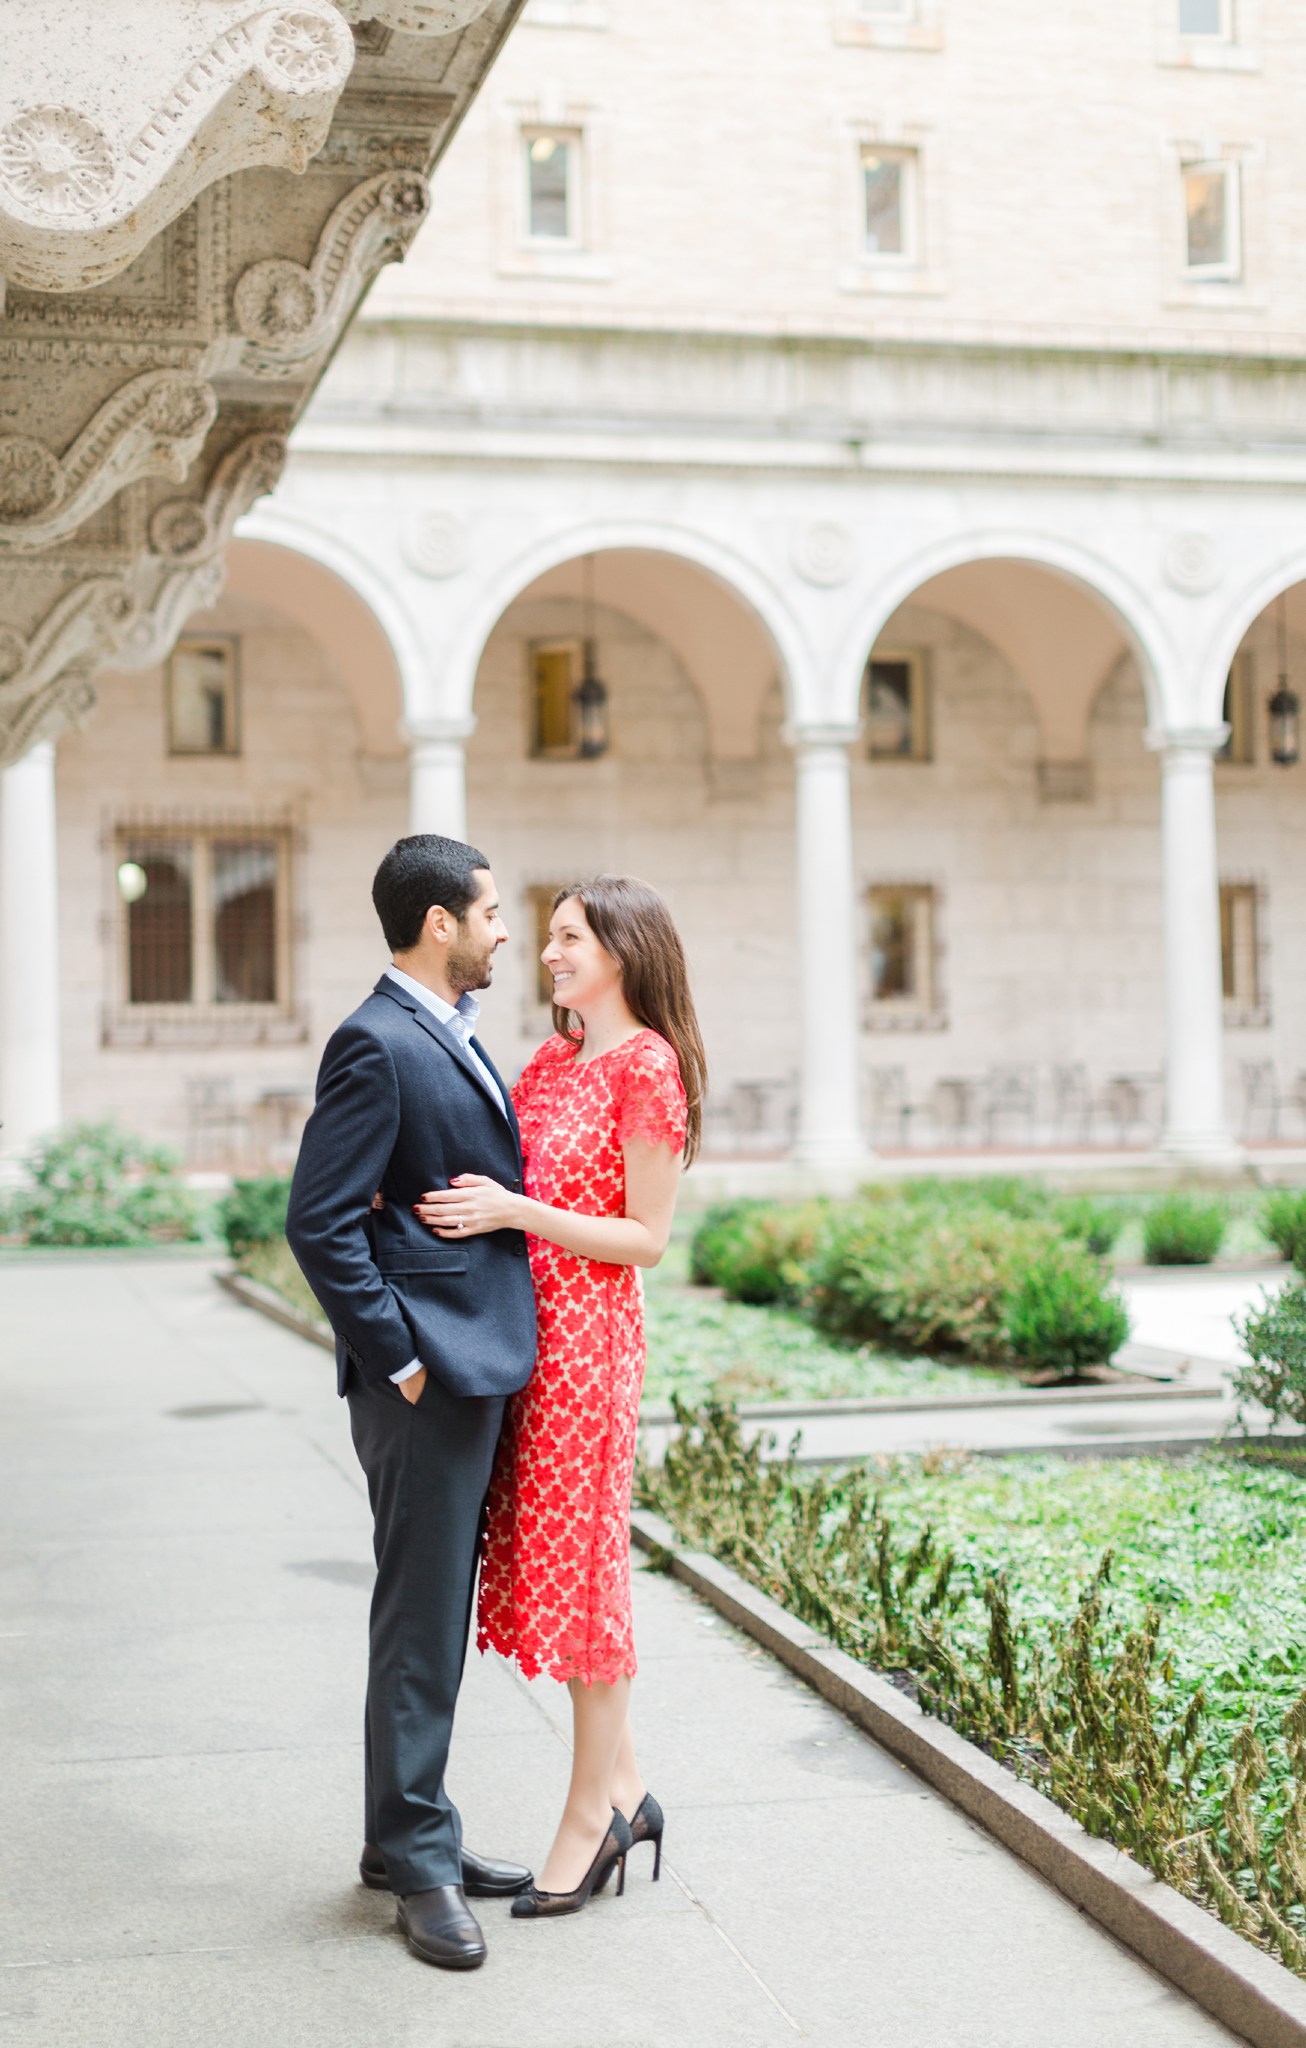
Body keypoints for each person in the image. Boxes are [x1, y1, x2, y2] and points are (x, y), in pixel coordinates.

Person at [413, 874, 706, 1918]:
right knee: (551, 1563)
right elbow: (487, 1177)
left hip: (590, 1347)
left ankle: (588, 1820)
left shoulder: (647, 1069)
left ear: (623, 948)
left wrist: (515, 1211)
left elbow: (647, 1239)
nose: (547, 952)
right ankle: (629, 1790)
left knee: (587, 1579)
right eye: (545, 937)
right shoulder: (551, 1058)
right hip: (524, 1343)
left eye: (569, 936)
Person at [285, 835, 538, 1971]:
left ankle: (405, 1834)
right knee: (422, 1610)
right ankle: (421, 1862)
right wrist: (399, 1357)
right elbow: (319, 1219)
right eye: (488, 911)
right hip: (423, 1377)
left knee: (428, 1609)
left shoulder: (449, 1033)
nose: (502, 929)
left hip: (468, 1361)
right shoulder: (376, 1041)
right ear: (438, 922)